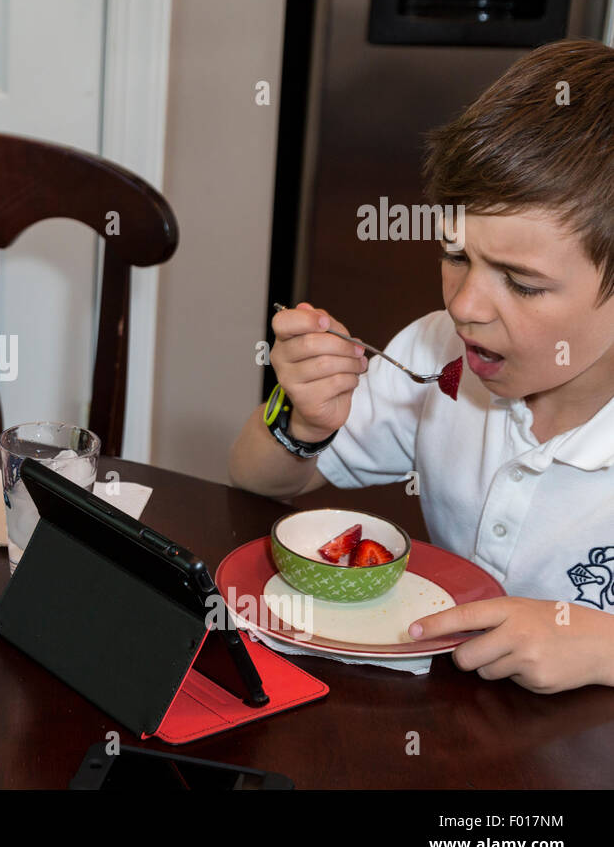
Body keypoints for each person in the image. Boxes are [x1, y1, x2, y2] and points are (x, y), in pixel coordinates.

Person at [228, 38, 614, 694]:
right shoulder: (437, 354)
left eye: (521, 284)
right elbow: (255, 483)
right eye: (456, 255)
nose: (465, 306)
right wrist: (302, 422)